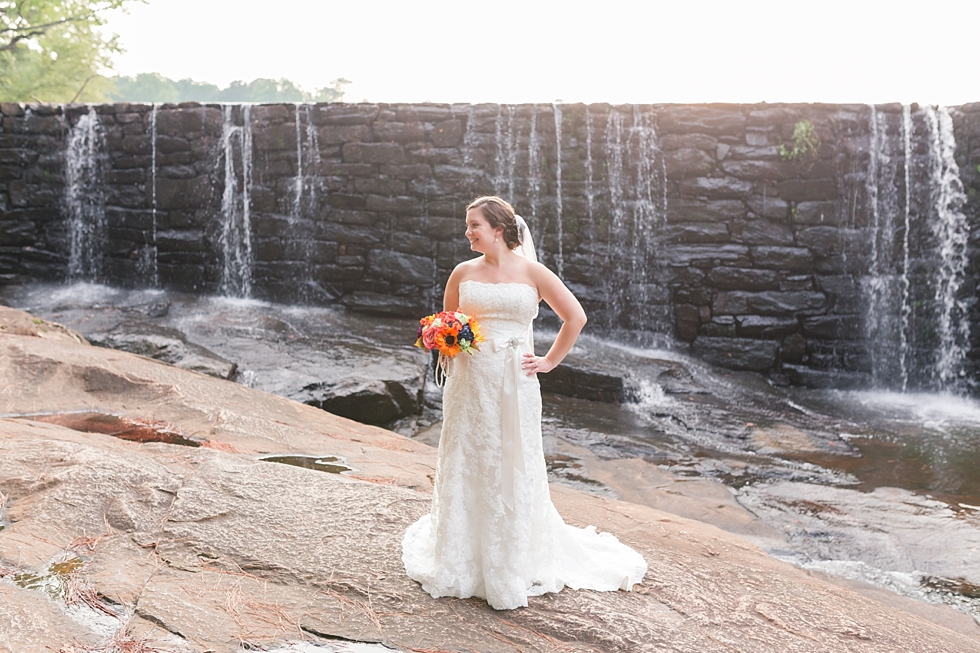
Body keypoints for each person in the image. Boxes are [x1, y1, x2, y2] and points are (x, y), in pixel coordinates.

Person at [401, 196, 647, 610]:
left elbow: (576, 317)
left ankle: (512, 557)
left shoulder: (533, 272)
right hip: (470, 383)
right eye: (467, 225)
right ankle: (464, 556)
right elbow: (448, 324)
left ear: (498, 229)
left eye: (473, 225)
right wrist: (445, 344)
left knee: (513, 458)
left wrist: (549, 361)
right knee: (469, 455)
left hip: (515, 379)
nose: (467, 233)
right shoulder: (462, 273)